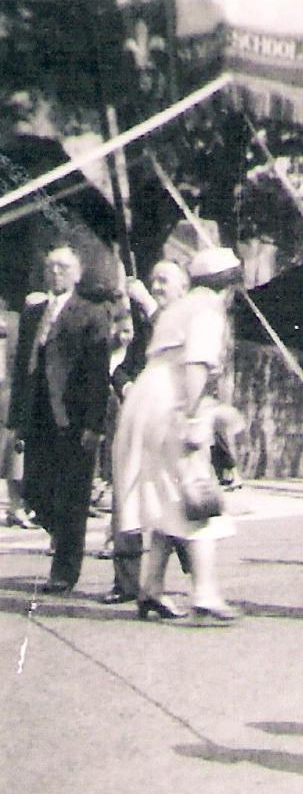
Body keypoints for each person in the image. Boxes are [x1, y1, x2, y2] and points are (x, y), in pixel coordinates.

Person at [113, 247, 243, 624]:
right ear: (228, 287)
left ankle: (150, 589)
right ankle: (204, 593)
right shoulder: (208, 311)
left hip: (144, 399)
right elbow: (197, 364)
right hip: (172, 401)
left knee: (170, 498)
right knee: (197, 496)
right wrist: (193, 415)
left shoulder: (180, 307)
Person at [7, 244, 110, 593]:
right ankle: (63, 535)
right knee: (34, 489)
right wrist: (17, 417)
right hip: (38, 416)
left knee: (73, 495)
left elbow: (98, 374)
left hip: (73, 417)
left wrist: (95, 425)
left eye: (64, 267)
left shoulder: (92, 313)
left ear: (78, 273)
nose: (56, 273)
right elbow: (23, 366)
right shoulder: (35, 312)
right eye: (51, 266)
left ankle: (65, 570)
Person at [101, 260, 191, 605]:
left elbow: (179, 346)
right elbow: (124, 368)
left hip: (172, 421)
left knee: (176, 500)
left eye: (164, 280)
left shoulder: (185, 316)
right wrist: (126, 387)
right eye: (153, 280)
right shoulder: (145, 325)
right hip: (141, 420)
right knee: (127, 496)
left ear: (182, 288)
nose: (155, 286)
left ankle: (199, 577)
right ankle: (126, 583)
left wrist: (148, 305)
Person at [0, 299, 37, 528]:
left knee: (16, 446)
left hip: (11, 388)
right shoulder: (15, 320)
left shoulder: (14, 320)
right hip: (9, 388)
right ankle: (16, 505)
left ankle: (18, 505)